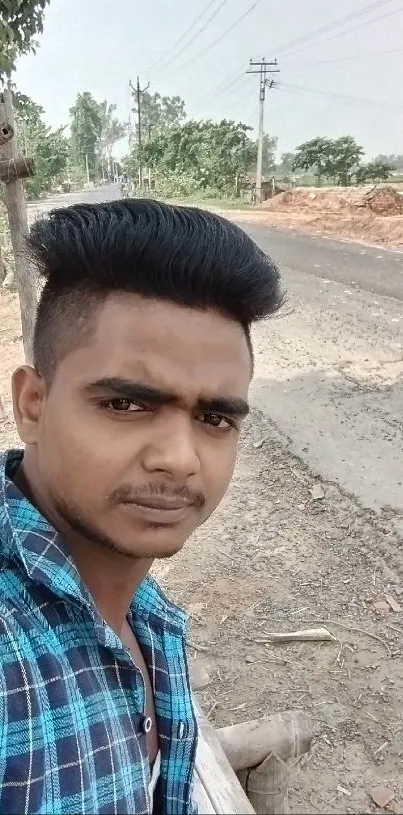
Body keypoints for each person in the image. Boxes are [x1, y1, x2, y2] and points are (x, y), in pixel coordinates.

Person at [0, 198, 283, 814]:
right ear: (32, 406)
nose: (180, 458)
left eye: (214, 417)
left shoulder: (143, 610)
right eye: (127, 405)